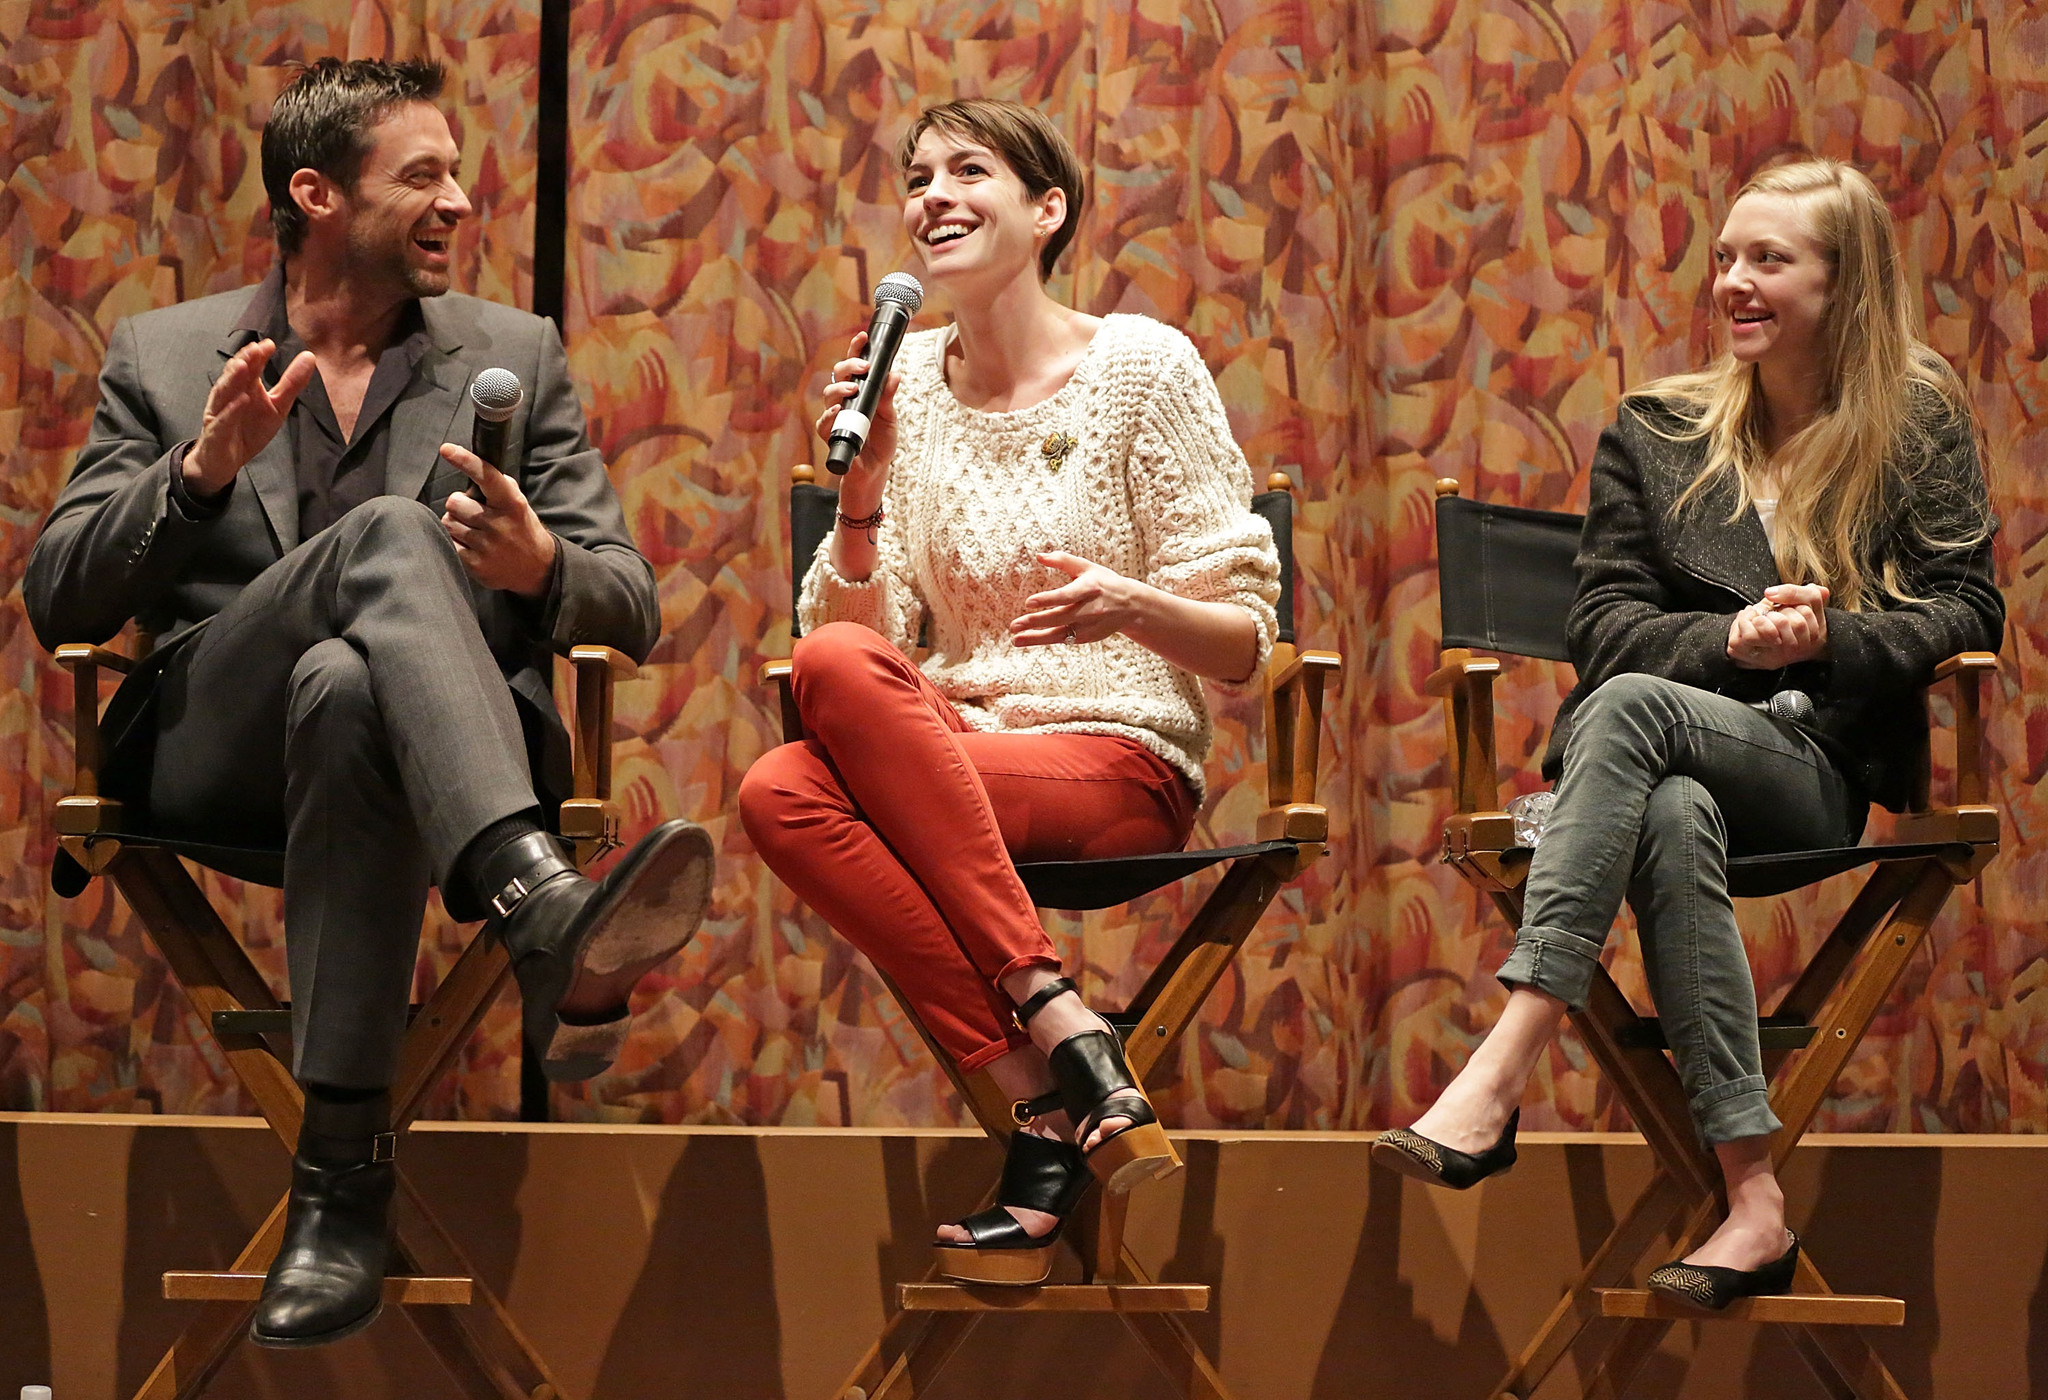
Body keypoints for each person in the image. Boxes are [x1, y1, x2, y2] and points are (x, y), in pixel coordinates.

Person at [25, 58, 716, 1347]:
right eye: (424, 175)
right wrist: (193, 476)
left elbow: (629, 599)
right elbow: (58, 595)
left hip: (416, 760)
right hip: (213, 743)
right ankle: (538, 902)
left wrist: (541, 566)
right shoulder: (169, 357)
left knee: (348, 684)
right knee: (388, 542)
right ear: (317, 193)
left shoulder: (512, 356)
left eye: (457, 172)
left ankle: (336, 1187)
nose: (459, 198)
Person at [1373, 158, 2003, 1309]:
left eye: (1768, 259)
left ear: (1843, 279)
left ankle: (1507, 1052)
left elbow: (1969, 607)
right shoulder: (1658, 427)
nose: (1731, 282)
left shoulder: (1914, 419)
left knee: (1622, 712)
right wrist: (1728, 644)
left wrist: (1820, 640)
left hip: (1814, 765)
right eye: (1723, 256)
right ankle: (1751, 1199)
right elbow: (1602, 625)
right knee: (1662, 793)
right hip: (1665, 764)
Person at [738, 98, 1281, 1286]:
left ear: (1046, 210)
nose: (931, 193)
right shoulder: (909, 396)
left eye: (966, 170)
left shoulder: (1141, 368)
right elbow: (841, 663)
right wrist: (864, 494)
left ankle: (1038, 1037)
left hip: (1113, 762)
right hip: (949, 751)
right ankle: (1058, 1079)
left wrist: (1127, 603)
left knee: (806, 769)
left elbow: (1244, 641)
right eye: (917, 174)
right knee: (783, 772)